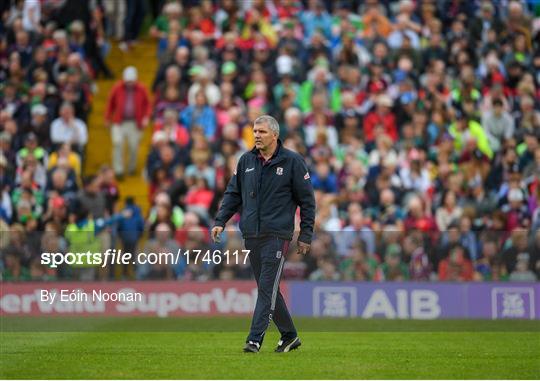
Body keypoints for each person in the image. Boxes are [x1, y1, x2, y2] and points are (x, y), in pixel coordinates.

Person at [211, 115, 315, 353]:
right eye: (255, 131)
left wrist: (306, 234)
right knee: (269, 288)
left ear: (275, 135)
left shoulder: (293, 162)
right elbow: (233, 194)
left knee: (266, 288)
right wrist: (220, 221)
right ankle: (289, 336)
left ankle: (254, 339)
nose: (256, 135)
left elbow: (307, 202)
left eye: (262, 132)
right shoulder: (245, 160)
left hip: (277, 235)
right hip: (252, 234)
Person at [105, 66, 151, 179]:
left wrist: (146, 117)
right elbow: (110, 103)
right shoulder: (117, 88)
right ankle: (118, 170)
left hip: (135, 122)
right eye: (128, 81)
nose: (130, 84)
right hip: (119, 121)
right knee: (117, 143)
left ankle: (131, 168)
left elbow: (148, 105)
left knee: (133, 146)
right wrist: (107, 118)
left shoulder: (142, 89)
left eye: (132, 81)